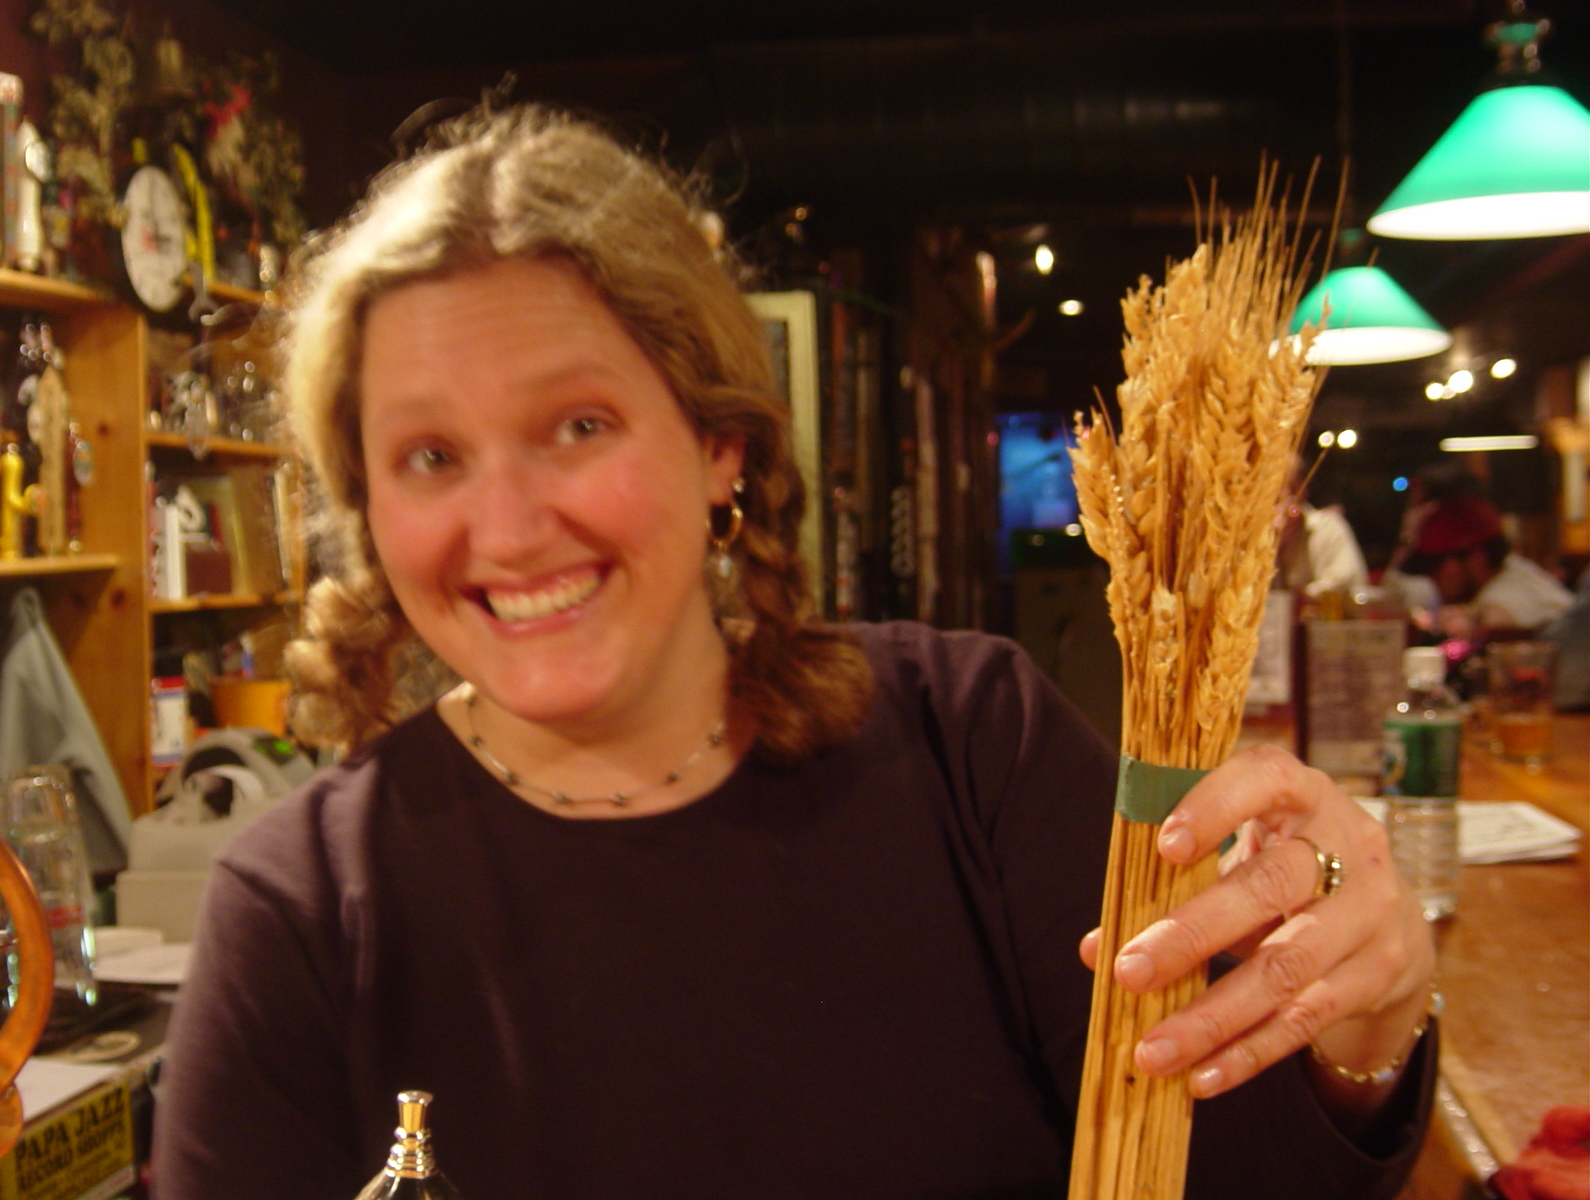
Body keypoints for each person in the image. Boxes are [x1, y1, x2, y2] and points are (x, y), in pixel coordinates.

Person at [151, 105, 1437, 1199]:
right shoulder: (300, 914)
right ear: (368, 505)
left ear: (720, 443)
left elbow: (1234, 1172)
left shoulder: (970, 741)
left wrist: (1360, 1029)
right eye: (430, 456)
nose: (507, 527)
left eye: (577, 424)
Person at [1399, 493, 1573, 635]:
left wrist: (1468, 624)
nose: (1431, 577)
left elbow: (1497, 617)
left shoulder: (1508, 596)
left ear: (1477, 557)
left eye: (1435, 565)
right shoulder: (1516, 570)